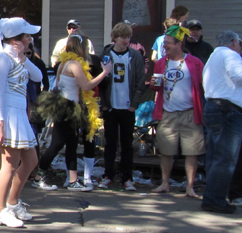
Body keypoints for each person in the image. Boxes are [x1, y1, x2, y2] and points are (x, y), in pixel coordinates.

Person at [0, 18, 43, 227]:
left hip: (19, 115)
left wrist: (22, 56)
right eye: (27, 35)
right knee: (9, 164)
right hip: (7, 115)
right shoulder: (2, 59)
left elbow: (37, 77)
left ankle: (12, 202)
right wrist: (0, 123)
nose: (31, 38)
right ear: (17, 38)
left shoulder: (18, 58)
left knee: (31, 161)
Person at [38, 35, 110, 192]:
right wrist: (104, 73)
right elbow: (86, 86)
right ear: (81, 47)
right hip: (67, 108)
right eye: (86, 46)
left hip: (66, 106)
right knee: (56, 144)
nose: (88, 50)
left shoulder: (64, 62)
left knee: (71, 144)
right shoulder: (75, 64)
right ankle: (37, 174)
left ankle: (72, 180)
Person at [150, 25, 205, 198]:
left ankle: (190, 187)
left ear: (179, 43)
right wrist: (154, 83)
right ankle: (165, 183)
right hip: (167, 113)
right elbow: (156, 88)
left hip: (190, 112)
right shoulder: (160, 63)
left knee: (192, 152)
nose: (164, 46)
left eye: (168, 43)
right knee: (166, 151)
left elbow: (204, 86)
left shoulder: (195, 63)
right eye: (164, 43)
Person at [98, 22, 146, 191]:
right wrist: (103, 105)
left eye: (128, 37)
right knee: (110, 142)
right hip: (111, 107)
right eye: (123, 37)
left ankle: (127, 177)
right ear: (115, 38)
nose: (126, 40)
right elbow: (100, 82)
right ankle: (108, 175)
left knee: (127, 143)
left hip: (127, 107)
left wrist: (134, 104)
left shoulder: (135, 56)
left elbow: (140, 82)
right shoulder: (105, 54)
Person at [200, 30, 242, 214]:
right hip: (228, 110)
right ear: (234, 42)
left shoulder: (213, 57)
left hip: (214, 107)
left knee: (216, 156)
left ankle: (212, 196)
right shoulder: (230, 54)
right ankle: (215, 199)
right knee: (226, 157)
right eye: (239, 43)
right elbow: (238, 75)